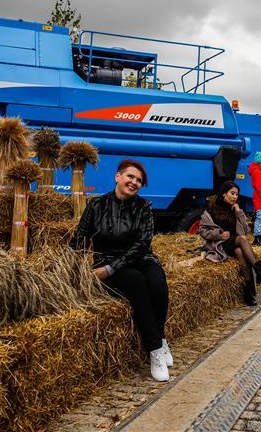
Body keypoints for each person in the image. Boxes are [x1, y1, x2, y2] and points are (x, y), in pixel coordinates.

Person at [72, 159, 172, 382]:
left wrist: (109, 269)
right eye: (130, 177)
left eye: (139, 180)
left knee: (157, 282)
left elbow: (142, 244)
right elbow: (79, 238)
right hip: (107, 260)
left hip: (139, 258)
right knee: (137, 283)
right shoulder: (96, 205)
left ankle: (161, 337)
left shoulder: (144, 207)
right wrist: (68, 267)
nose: (134, 182)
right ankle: (155, 350)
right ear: (118, 176)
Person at [199, 181, 261, 307]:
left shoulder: (236, 209)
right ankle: (260, 272)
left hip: (235, 244)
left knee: (240, 253)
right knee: (242, 239)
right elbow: (202, 230)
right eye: (232, 193)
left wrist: (239, 212)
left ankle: (248, 293)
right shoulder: (211, 210)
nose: (235, 197)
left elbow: (245, 230)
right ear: (224, 194)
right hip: (221, 244)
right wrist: (218, 234)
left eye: (236, 194)